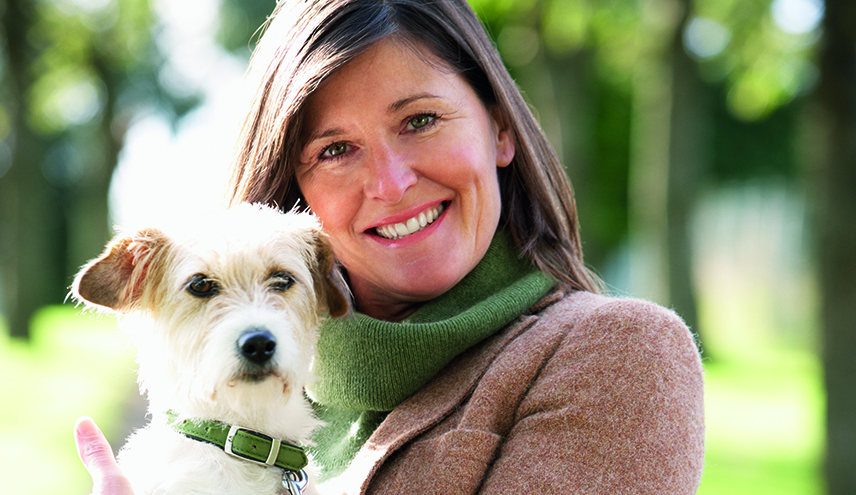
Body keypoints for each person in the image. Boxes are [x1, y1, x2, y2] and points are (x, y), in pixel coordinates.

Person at [74, 0, 705, 493]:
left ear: (500, 128)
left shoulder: (614, 356)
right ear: (293, 189)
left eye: (421, 120)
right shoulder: (242, 418)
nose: (390, 184)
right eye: (336, 150)